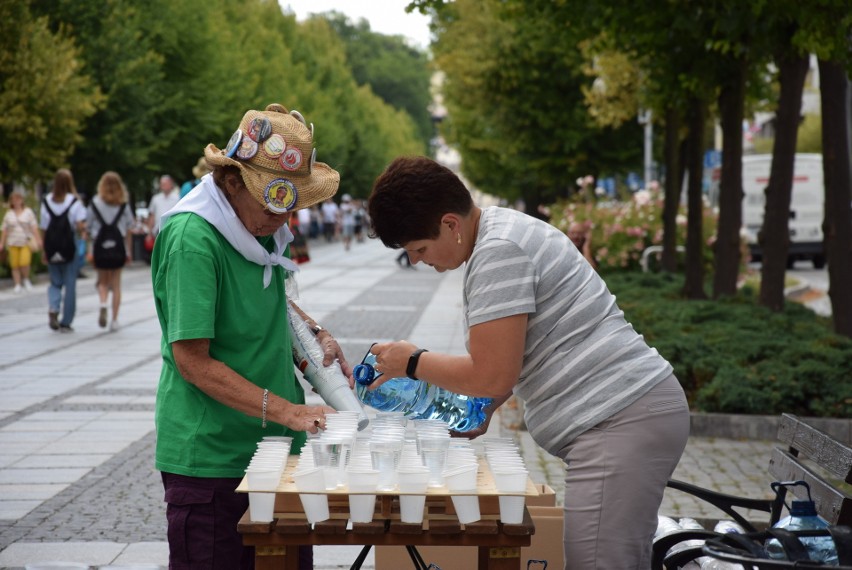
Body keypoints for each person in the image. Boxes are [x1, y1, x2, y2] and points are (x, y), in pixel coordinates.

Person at [366, 156, 690, 569]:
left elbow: (491, 373)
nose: (416, 260)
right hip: (627, 415)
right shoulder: (500, 233)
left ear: (451, 224)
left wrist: (411, 361)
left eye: (418, 249)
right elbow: (509, 361)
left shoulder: (498, 252)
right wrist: (485, 409)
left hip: (619, 418)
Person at [151, 103, 349, 569]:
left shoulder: (254, 227)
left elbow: (272, 301)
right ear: (233, 181)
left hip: (276, 453)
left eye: (291, 206)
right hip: (215, 461)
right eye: (273, 203)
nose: (283, 219)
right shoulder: (193, 239)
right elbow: (192, 362)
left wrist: (315, 335)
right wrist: (290, 411)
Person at [40, 169, 88, 332]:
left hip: (52, 245)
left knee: (54, 281)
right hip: (69, 246)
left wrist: (43, 249)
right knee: (70, 284)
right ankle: (66, 321)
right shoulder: (74, 202)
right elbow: (80, 225)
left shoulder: (46, 201)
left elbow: (44, 227)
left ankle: (53, 308)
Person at [87, 171, 135, 331]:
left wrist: (90, 250)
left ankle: (102, 303)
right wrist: (128, 252)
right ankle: (114, 320)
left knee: (102, 281)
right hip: (118, 247)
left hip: (100, 247)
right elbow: (129, 229)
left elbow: (88, 227)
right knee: (116, 285)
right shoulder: (123, 204)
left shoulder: (95, 203)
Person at [0, 190, 41, 293]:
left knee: (24, 262)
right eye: (14, 200)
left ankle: (26, 279)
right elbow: (4, 229)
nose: (16, 202)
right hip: (13, 241)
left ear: (22, 200)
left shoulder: (28, 212)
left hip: (25, 241)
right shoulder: (9, 214)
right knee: (14, 264)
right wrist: (2, 242)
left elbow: (34, 227)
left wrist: (38, 239)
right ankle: (17, 284)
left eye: (18, 199)